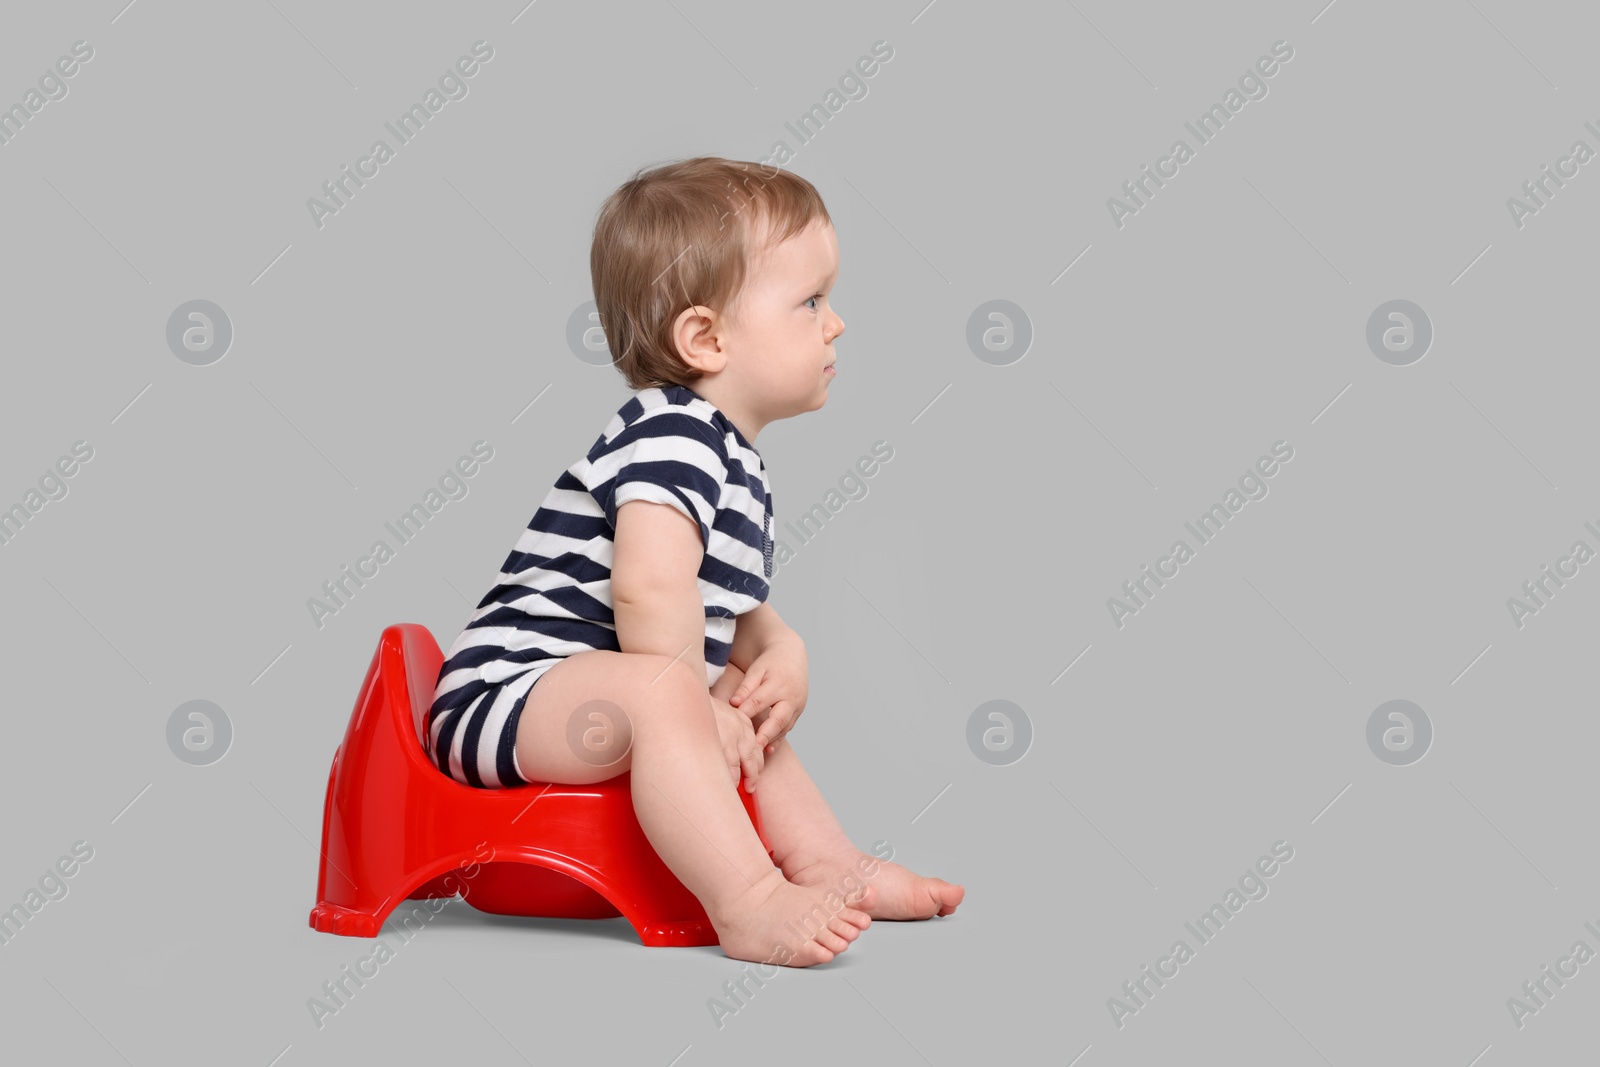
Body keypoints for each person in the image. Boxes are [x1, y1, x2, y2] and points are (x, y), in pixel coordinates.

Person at [425, 156, 963, 967]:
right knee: (676, 694)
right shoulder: (669, 433)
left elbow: (725, 602)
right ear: (706, 337)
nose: (836, 321)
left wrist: (780, 651)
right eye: (811, 300)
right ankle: (746, 899)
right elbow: (648, 586)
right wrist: (685, 695)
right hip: (502, 698)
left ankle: (832, 865)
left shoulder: (727, 455)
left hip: (591, 693)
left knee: (739, 705)